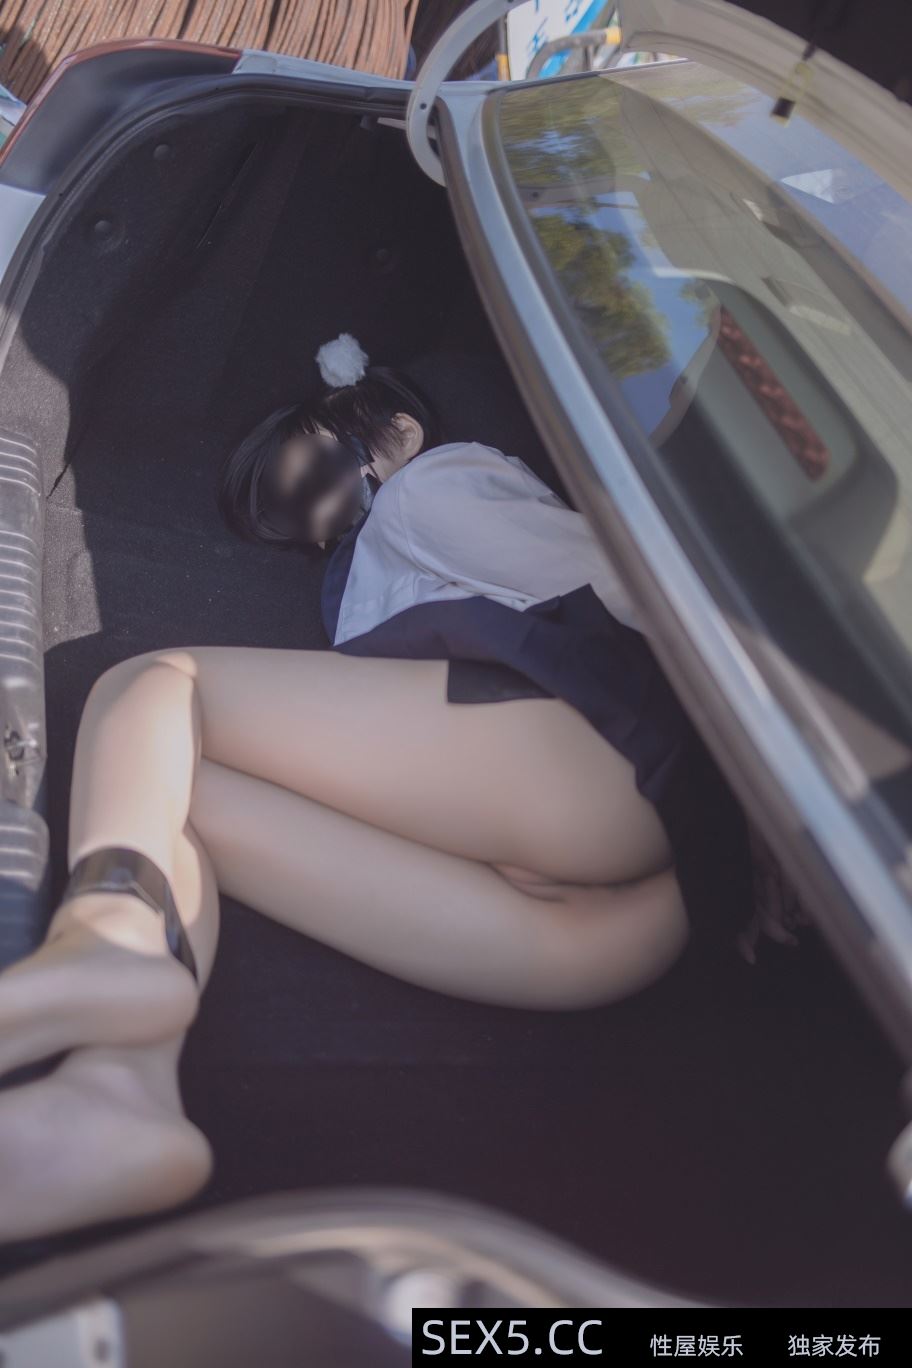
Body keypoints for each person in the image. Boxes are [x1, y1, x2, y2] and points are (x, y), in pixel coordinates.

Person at [0, 334, 747, 1244]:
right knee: (165, 789)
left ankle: (107, 939)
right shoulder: (368, 566)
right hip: (615, 934)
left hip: (594, 766)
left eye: (315, 473)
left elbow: (630, 587)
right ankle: (118, 1093)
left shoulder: (431, 486)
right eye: (293, 519)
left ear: (396, 432)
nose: (317, 516)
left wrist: (755, 776)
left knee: (153, 685)